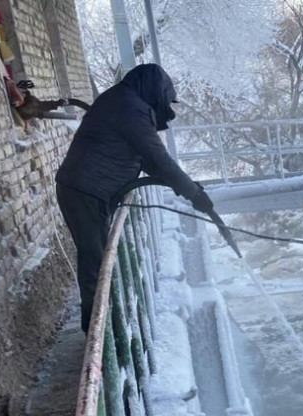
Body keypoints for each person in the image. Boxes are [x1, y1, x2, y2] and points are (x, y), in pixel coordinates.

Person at [56, 63, 213, 333]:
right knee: (95, 263)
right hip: (86, 191)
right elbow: (159, 159)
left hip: (87, 190)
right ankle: (98, 333)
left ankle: (103, 325)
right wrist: (193, 193)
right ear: (154, 90)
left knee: (100, 259)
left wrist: (187, 188)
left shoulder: (124, 101)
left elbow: (148, 160)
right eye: (166, 98)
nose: (167, 106)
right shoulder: (130, 108)